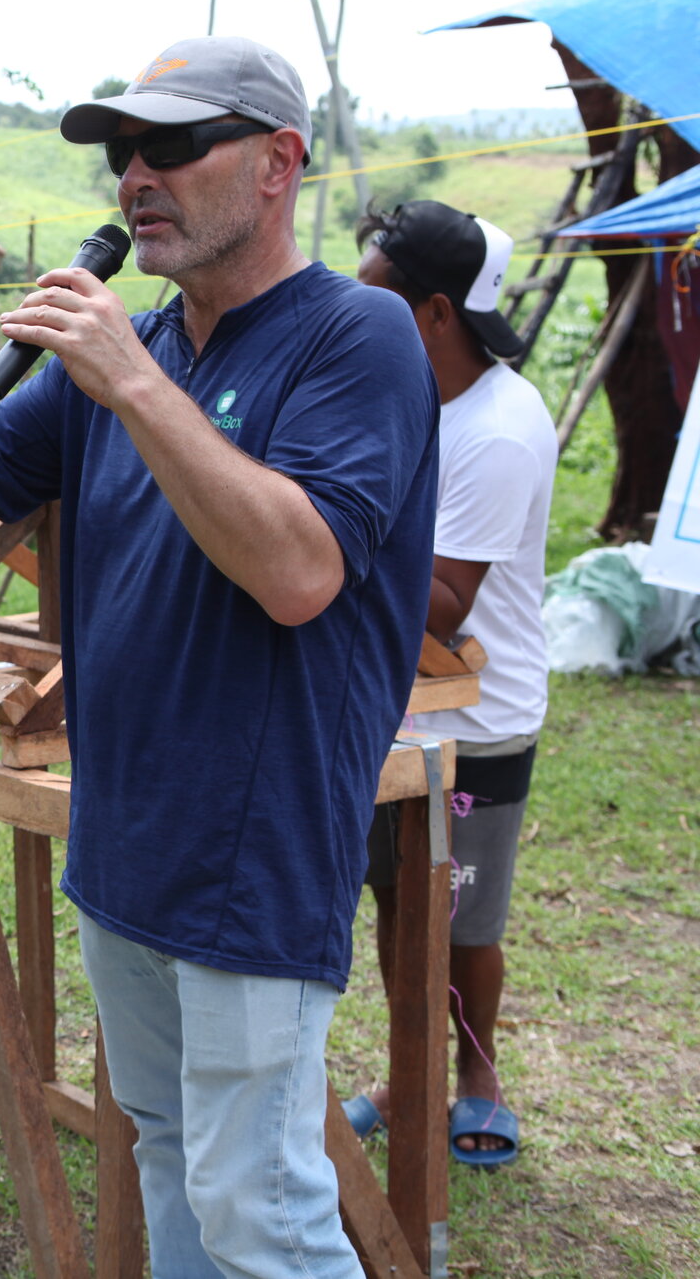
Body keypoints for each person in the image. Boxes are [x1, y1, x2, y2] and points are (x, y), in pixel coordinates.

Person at [0, 36, 437, 1277]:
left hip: (253, 849)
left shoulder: (354, 336)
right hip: (127, 837)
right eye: (118, 153)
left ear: (275, 164)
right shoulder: (136, 350)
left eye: (167, 145)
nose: (132, 177)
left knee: (256, 1195)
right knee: (165, 1153)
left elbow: (298, 570)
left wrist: (128, 380)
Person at [346, 201, 556, 1171]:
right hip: (393, 707)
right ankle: (407, 1073)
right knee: (397, 900)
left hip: (476, 721)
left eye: (373, 296)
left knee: (461, 916)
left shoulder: (498, 428)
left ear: (434, 312)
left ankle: (477, 1078)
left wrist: (318, 534)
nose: (354, 309)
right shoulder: (408, 397)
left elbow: (441, 598)